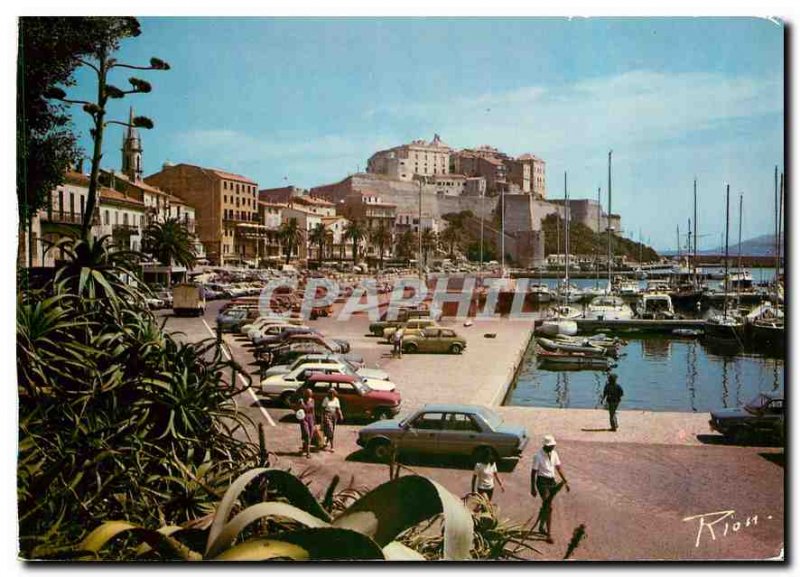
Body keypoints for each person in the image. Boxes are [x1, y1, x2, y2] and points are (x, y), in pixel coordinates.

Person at [531, 435, 570, 544]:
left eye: (553, 446)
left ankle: (541, 526)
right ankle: (549, 534)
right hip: (542, 482)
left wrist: (565, 481)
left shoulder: (554, 454)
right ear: (545, 446)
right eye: (551, 446)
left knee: (546, 506)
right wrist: (533, 487)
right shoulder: (537, 456)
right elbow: (533, 472)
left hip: (551, 481)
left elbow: (558, 468)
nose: (552, 447)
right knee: (549, 507)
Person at [295, 388, 316, 458]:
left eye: (310, 394)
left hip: (310, 418)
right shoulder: (301, 401)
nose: (308, 396)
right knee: (307, 434)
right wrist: (299, 406)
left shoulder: (312, 400)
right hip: (304, 418)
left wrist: (314, 419)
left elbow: (313, 411)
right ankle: (308, 452)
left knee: (310, 434)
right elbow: (296, 409)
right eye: (307, 394)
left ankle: (305, 445)